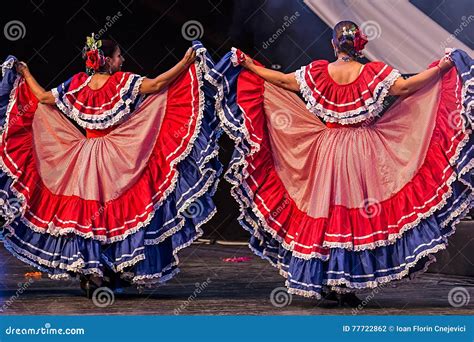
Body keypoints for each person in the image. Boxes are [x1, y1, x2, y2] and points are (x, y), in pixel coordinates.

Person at [208, 20, 473, 306]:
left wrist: (249, 66)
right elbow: (407, 87)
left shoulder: (319, 72)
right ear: (360, 45)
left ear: (334, 44)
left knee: (327, 212)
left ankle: (327, 280)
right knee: (356, 217)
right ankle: (346, 283)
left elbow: (283, 81)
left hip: (329, 149)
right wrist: (442, 68)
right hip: (363, 149)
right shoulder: (372, 72)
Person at [0, 35, 221, 298]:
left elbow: (43, 97)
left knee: (88, 216)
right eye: (119, 55)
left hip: (85, 157)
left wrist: (25, 72)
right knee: (120, 212)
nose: (123, 59)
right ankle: (117, 267)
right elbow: (160, 83)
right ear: (107, 61)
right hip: (118, 156)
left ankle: (92, 271)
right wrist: (185, 63)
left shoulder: (79, 82)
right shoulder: (122, 81)